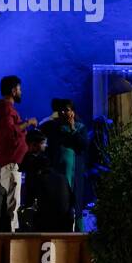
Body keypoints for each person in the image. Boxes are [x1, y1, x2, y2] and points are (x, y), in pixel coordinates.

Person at [0, 75, 37, 231]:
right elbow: (11, 132)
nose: (21, 92)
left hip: (10, 163)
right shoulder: (6, 109)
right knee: (11, 206)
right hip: (9, 165)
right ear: (13, 90)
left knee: (10, 205)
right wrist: (28, 123)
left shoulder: (5, 110)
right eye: (19, 89)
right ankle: (11, 239)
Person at [42, 98, 88, 231]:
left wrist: (72, 128)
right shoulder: (55, 127)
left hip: (76, 173)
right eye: (61, 110)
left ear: (73, 112)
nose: (64, 112)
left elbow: (82, 145)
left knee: (76, 203)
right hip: (60, 173)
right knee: (62, 202)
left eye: (67, 110)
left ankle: (79, 234)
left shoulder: (80, 127)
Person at [28, 155, 74, 232]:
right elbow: (72, 200)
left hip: (48, 224)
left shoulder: (39, 179)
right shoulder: (63, 178)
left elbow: (29, 202)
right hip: (66, 222)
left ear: (38, 170)